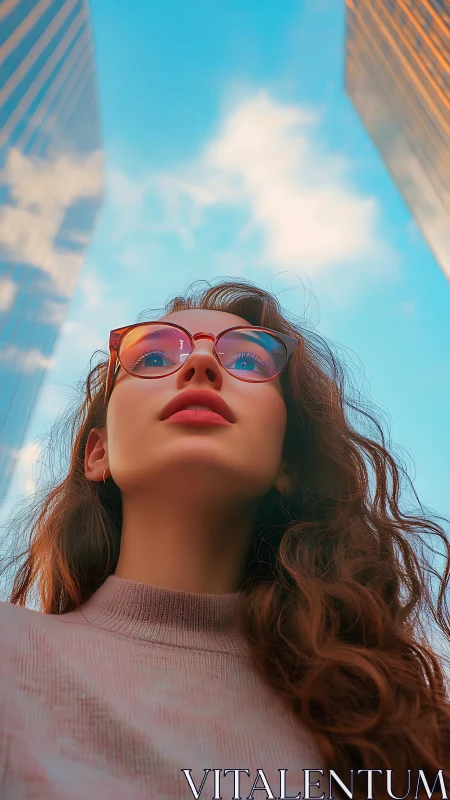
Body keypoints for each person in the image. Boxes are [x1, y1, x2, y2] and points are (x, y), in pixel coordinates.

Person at [0, 278, 449, 800]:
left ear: (287, 465)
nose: (201, 366)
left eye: (247, 362)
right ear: (97, 453)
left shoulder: (381, 725)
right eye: (151, 357)